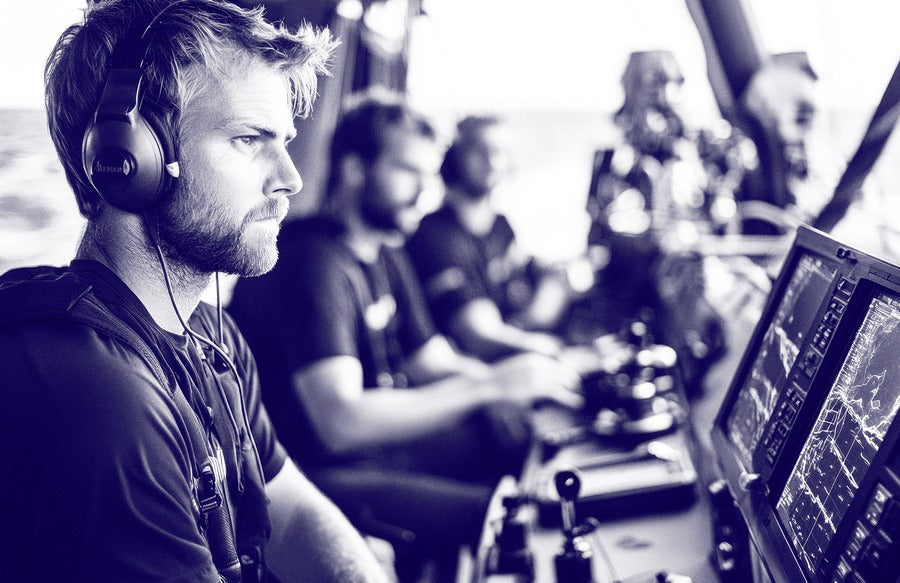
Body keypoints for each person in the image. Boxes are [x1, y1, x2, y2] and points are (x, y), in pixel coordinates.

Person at [0, 1, 391, 581]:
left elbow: (288, 514)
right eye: (248, 139)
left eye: (284, 139)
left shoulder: (211, 336)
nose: (290, 177)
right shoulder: (93, 392)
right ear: (128, 161)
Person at [228, 93, 581, 580]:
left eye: (429, 174)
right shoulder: (312, 260)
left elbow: (429, 360)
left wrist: (528, 380)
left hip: (373, 452)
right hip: (312, 474)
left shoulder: (385, 248)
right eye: (408, 172)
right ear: (355, 170)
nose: (424, 192)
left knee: (521, 431)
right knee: (512, 517)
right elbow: (339, 421)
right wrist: (490, 386)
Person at [405, 115, 589, 362]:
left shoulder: (501, 227)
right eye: (480, 151)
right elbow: (481, 337)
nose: (492, 161)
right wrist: (561, 353)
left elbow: (544, 283)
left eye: (500, 152)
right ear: (453, 158)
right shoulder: (434, 237)